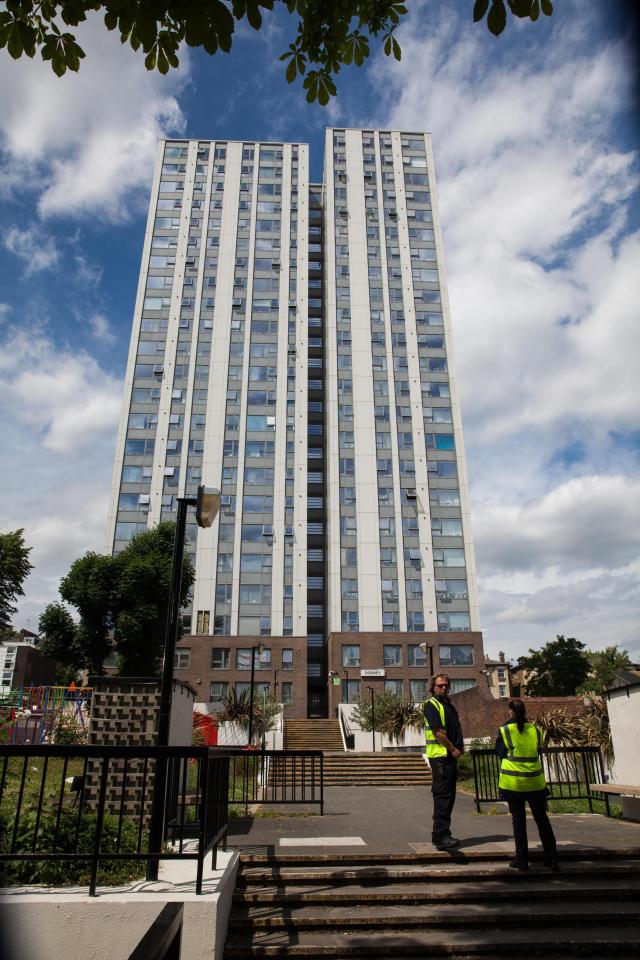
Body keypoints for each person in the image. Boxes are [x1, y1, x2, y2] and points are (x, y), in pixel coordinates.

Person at [496, 698, 559, 872]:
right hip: (535, 783)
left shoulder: (505, 730)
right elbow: (538, 751)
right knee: (542, 820)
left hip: (514, 783)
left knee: (519, 821)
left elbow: (501, 753)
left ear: (510, 711)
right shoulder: (536, 730)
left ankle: (521, 859)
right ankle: (552, 857)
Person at [423, 674, 463, 850]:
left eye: (446, 685)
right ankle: (442, 837)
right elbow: (437, 732)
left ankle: (439, 835)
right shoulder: (431, 705)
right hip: (441, 757)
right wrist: (453, 749)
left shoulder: (448, 706)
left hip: (448, 758)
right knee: (443, 797)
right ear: (433, 687)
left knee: (449, 797)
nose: (444, 688)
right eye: (440, 685)